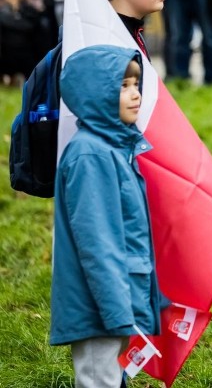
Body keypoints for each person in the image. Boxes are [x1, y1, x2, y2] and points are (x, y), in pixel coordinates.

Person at [50, 45, 165, 387]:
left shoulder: (113, 147)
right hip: (98, 304)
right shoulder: (91, 155)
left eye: (135, 84)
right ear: (94, 92)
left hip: (114, 298)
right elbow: (98, 244)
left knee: (112, 378)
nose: (134, 94)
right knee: (99, 380)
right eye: (122, 85)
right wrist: (117, 312)